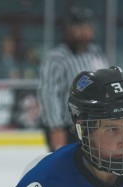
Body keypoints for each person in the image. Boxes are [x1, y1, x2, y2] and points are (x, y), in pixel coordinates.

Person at [37, 6, 108, 152]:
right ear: (68, 29)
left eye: (87, 26)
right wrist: (56, 128)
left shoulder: (96, 53)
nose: (84, 31)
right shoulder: (57, 58)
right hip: (68, 129)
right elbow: (49, 95)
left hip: (95, 126)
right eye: (78, 27)